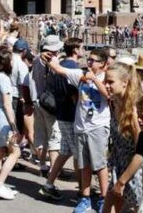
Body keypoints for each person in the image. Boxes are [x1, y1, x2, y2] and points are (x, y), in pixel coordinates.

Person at [46, 48, 111, 213]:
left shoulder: (107, 77)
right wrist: (45, 56)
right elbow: (59, 69)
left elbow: (108, 95)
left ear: (102, 63)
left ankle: (104, 198)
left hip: (98, 127)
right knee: (84, 165)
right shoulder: (80, 75)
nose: (89, 63)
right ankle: (85, 197)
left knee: (100, 165)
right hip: (81, 127)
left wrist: (95, 80)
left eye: (93, 60)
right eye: (88, 59)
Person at [39, 37, 83, 201]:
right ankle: (82, 193)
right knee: (79, 156)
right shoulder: (72, 68)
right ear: (76, 50)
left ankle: (49, 184)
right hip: (71, 116)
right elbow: (75, 94)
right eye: (82, 47)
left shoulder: (60, 66)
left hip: (61, 113)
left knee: (64, 152)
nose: (83, 50)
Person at [102, 62, 143, 213]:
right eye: (105, 81)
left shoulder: (134, 110)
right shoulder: (115, 102)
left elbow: (142, 151)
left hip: (134, 172)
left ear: (125, 83)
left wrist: (122, 180)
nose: (106, 85)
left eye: (110, 82)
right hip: (118, 166)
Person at [0, 47, 21, 200]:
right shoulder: (5, 79)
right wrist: (14, 126)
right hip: (1, 117)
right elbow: (8, 105)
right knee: (15, 152)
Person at [31, 35, 62, 177]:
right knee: (54, 138)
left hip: (38, 99)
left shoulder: (37, 58)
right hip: (49, 102)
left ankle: (42, 165)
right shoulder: (51, 60)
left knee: (41, 136)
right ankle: (55, 172)